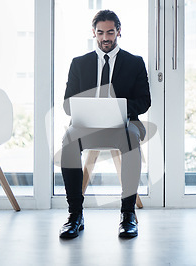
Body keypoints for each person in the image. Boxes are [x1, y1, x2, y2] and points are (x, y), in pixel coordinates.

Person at [59, 10, 151, 239]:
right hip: (87, 125)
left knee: (131, 138)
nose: (105, 38)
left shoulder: (134, 63)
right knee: (68, 139)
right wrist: (88, 109)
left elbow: (144, 101)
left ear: (119, 32)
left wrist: (120, 108)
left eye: (110, 32)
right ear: (94, 33)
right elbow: (68, 104)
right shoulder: (79, 64)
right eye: (100, 33)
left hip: (125, 124)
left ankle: (127, 215)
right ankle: (75, 216)